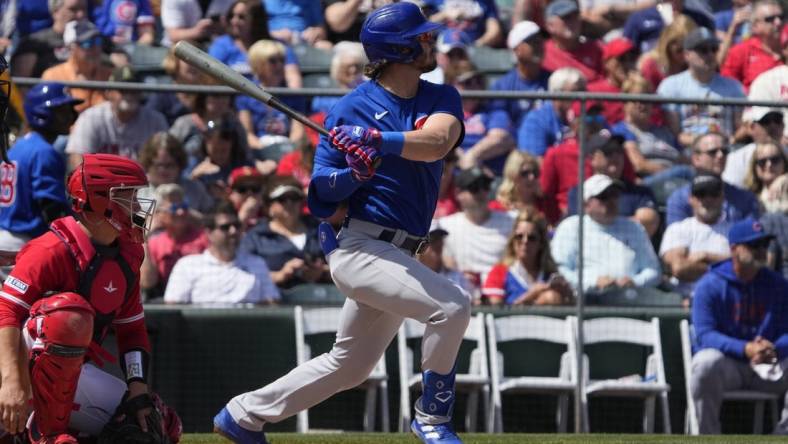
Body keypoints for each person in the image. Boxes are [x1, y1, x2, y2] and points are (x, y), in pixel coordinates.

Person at [212, 4, 471, 443]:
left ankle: (243, 415)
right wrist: (355, 174)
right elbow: (320, 197)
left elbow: (436, 143)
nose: (432, 43)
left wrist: (377, 142)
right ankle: (432, 417)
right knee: (451, 307)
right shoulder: (349, 110)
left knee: (349, 365)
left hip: (402, 252)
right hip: (358, 248)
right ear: (398, 48)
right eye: (423, 38)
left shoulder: (439, 96)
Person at [0, 154, 181, 443]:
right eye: (128, 196)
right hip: (14, 363)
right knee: (67, 316)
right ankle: (45, 433)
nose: (137, 206)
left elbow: (132, 329)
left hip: (69, 372)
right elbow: (6, 311)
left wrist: (137, 386)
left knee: (160, 426)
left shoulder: (129, 254)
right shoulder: (51, 249)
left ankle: (35, 432)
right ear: (98, 200)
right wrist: (11, 383)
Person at [690, 217, 788, 434]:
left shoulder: (778, 284)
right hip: (729, 366)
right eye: (753, 245)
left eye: (764, 245)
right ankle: (708, 437)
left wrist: (774, 349)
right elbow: (706, 335)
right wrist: (745, 348)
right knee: (705, 363)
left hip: (770, 365)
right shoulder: (710, 285)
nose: (761, 250)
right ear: (734, 249)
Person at [0, 83, 81, 254]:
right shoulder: (44, 151)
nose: (69, 116)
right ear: (42, 113)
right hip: (24, 242)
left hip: (7, 236)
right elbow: (51, 207)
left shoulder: (18, 147)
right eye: (61, 111)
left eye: (69, 110)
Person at [551, 174, 662, 293]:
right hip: (583, 301)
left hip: (628, 301)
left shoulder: (634, 227)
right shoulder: (571, 227)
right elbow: (559, 270)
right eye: (603, 196)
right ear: (586, 204)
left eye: (614, 195)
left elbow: (653, 271)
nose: (610, 201)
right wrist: (593, 282)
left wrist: (635, 281)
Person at [163, 199, 279, 305]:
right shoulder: (187, 266)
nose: (233, 231)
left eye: (237, 226)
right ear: (208, 233)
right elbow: (174, 307)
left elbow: (272, 303)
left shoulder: (257, 263)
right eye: (225, 227)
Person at [656, 27, 746, 148]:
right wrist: (704, 143)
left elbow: (739, 127)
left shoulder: (734, 87)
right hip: (689, 153)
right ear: (687, 55)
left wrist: (729, 140)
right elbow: (676, 134)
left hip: (726, 150)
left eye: (714, 49)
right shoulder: (670, 86)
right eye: (703, 50)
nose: (710, 54)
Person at [65, 66, 168, 170]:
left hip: (143, 183)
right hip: (100, 182)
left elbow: (166, 161)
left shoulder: (155, 120)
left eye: (134, 90)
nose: (129, 95)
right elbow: (78, 159)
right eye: (123, 90)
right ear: (108, 93)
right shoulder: (91, 117)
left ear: (141, 93)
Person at [565, 132, 661, 236]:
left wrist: (605, 222)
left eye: (619, 151)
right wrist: (626, 221)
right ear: (592, 158)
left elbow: (648, 221)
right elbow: (580, 227)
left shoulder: (640, 192)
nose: (615, 156)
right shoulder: (579, 192)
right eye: (608, 151)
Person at [240, 176, 328, 289]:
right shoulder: (255, 237)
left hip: (323, 301)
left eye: (294, 198)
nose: (289, 203)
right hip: (276, 303)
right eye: (282, 199)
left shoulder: (321, 229)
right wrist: (280, 275)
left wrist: (322, 271)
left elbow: (344, 265)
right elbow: (243, 275)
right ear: (268, 206)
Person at [438, 167, 516, 294]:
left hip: (503, 294)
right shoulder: (445, 226)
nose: (481, 192)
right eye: (474, 187)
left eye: (485, 186)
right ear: (458, 193)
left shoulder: (511, 220)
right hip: (462, 293)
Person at [660, 174, 732, 299]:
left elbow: (744, 267)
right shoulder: (678, 229)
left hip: (726, 300)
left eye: (713, 194)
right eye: (701, 194)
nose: (707, 200)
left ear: (722, 198)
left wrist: (706, 256)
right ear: (691, 199)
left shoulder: (734, 230)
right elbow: (679, 268)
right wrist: (725, 266)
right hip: (688, 301)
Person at [666, 132, 761, 225]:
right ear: (696, 159)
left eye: (724, 151)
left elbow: (751, 235)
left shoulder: (744, 197)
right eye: (712, 152)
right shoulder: (680, 199)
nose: (720, 155)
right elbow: (677, 237)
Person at [613, 73, 692, 184]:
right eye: (637, 100)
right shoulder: (623, 130)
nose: (643, 105)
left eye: (646, 100)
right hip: (650, 184)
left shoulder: (664, 132)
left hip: (678, 181)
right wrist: (674, 172)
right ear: (625, 103)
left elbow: (684, 160)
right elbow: (639, 165)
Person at [482, 210, 572, 306]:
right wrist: (531, 295)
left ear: (541, 243)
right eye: (519, 237)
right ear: (512, 240)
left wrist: (569, 296)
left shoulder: (550, 276)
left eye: (531, 238)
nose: (525, 241)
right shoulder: (499, 272)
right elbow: (494, 311)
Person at [208, 0, 302, 88]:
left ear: (256, 20)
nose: (234, 21)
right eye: (232, 16)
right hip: (235, 103)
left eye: (241, 17)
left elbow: (294, 83)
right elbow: (211, 80)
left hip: (272, 101)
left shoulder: (278, 47)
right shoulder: (222, 45)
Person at [237, 39, 307, 152]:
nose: (279, 65)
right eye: (273, 61)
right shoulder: (246, 95)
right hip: (258, 153)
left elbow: (297, 133)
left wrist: (284, 153)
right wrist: (267, 152)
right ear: (258, 64)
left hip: (287, 151)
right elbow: (247, 135)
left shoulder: (294, 96)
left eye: (282, 60)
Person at [141, 183, 208, 300]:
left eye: (184, 207)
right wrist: (144, 238)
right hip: (165, 299)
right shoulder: (154, 242)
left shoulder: (203, 237)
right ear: (159, 214)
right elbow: (147, 283)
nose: (181, 212)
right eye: (174, 208)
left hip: (200, 296)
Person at [488, 20, 549, 132]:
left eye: (540, 41)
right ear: (516, 50)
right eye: (532, 42)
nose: (539, 46)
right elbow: (499, 128)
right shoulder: (502, 86)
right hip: (515, 145)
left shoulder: (552, 80)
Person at [40, 20, 112, 114]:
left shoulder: (111, 76)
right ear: (71, 48)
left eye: (98, 41)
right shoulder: (53, 76)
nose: (95, 48)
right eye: (87, 43)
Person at [452, 68, 514, 175]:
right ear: (453, 85)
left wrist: (472, 156)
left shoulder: (494, 111)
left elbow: (499, 139)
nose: (475, 86)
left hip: (486, 175)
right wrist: (458, 154)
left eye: (479, 81)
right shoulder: (444, 114)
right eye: (468, 82)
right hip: (452, 172)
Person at [138, 131, 215, 214]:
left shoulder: (194, 188)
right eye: (159, 165)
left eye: (169, 165)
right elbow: (130, 222)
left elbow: (211, 218)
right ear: (148, 164)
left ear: (179, 164)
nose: (164, 170)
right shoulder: (137, 192)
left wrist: (188, 215)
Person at [517, 67, 587, 157]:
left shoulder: (589, 115)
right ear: (556, 93)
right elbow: (533, 160)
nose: (581, 97)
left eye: (584, 92)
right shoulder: (536, 120)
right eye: (575, 92)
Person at [10, 0, 88, 79]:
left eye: (84, 9)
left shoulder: (95, 41)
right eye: (73, 9)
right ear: (55, 11)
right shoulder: (35, 44)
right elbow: (21, 84)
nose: (81, 15)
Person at [720, 0, 783, 91]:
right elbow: (727, 86)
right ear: (755, 26)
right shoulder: (742, 51)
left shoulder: (785, 48)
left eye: (781, 17)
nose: (778, 22)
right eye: (770, 19)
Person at [490, 150, 560, 225]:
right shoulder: (496, 208)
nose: (531, 177)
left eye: (535, 172)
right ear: (513, 175)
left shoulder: (547, 205)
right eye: (525, 173)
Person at [723, 107, 785, 188]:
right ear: (751, 127)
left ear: (783, 125)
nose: (773, 126)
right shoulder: (736, 158)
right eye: (766, 121)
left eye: (777, 120)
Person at [541, 0, 604, 82]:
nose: (573, 22)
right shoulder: (541, 53)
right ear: (550, 26)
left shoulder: (597, 48)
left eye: (576, 16)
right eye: (566, 17)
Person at [637, 13, 697, 90]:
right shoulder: (652, 67)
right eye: (679, 50)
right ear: (667, 46)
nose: (685, 56)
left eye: (690, 50)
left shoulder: (699, 64)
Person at [587, 37, 639, 125]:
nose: (627, 64)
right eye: (621, 59)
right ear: (606, 63)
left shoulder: (643, 89)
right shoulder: (593, 91)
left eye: (632, 58)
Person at [311, 41, 367, 114]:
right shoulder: (325, 92)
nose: (353, 70)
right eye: (348, 66)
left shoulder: (367, 88)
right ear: (337, 68)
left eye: (357, 66)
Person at [422, 0, 503, 47]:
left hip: (472, 47)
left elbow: (494, 31)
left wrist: (475, 46)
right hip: (443, 47)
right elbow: (423, 27)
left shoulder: (485, 2)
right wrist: (444, 14)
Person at [743, 142, 787, 209]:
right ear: (754, 167)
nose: (769, 165)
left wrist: (784, 179)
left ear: (784, 163)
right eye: (762, 161)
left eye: (775, 160)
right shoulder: (747, 195)